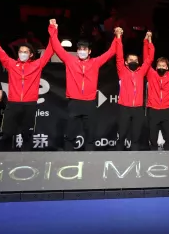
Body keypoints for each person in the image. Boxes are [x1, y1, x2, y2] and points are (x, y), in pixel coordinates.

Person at [49, 19, 120, 151]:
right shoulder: (70, 60)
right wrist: (53, 28)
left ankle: (90, 163)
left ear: (89, 51)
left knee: (90, 136)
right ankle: (67, 162)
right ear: (77, 51)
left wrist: (117, 37)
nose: (82, 51)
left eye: (84, 49)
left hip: (90, 103)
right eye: (80, 49)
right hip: (74, 103)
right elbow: (56, 47)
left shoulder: (95, 62)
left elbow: (111, 52)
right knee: (70, 135)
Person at [0, 20, 54, 150]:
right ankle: (5, 160)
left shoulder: (36, 65)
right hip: (13, 103)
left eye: (25, 52)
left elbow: (50, 50)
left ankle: (25, 163)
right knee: (6, 134)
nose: (22, 54)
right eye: (20, 51)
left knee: (27, 134)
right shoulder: (11, 64)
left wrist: (53, 29)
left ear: (31, 55)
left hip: (29, 104)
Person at [115, 30, 153, 151]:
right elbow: (119, 55)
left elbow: (150, 58)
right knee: (121, 137)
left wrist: (148, 41)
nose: (133, 62)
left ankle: (135, 163)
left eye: (136, 60)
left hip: (138, 109)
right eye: (131, 60)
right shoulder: (122, 70)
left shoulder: (141, 72)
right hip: (124, 108)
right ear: (126, 62)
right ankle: (118, 161)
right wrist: (119, 37)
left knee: (136, 138)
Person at [146, 55, 169, 150]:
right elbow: (147, 60)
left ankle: (167, 156)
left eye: (163, 66)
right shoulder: (151, 74)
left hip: (166, 110)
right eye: (159, 65)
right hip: (153, 110)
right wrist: (148, 43)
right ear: (156, 67)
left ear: (167, 67)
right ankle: (153, 156)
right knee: (152, 137)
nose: (161, 67)